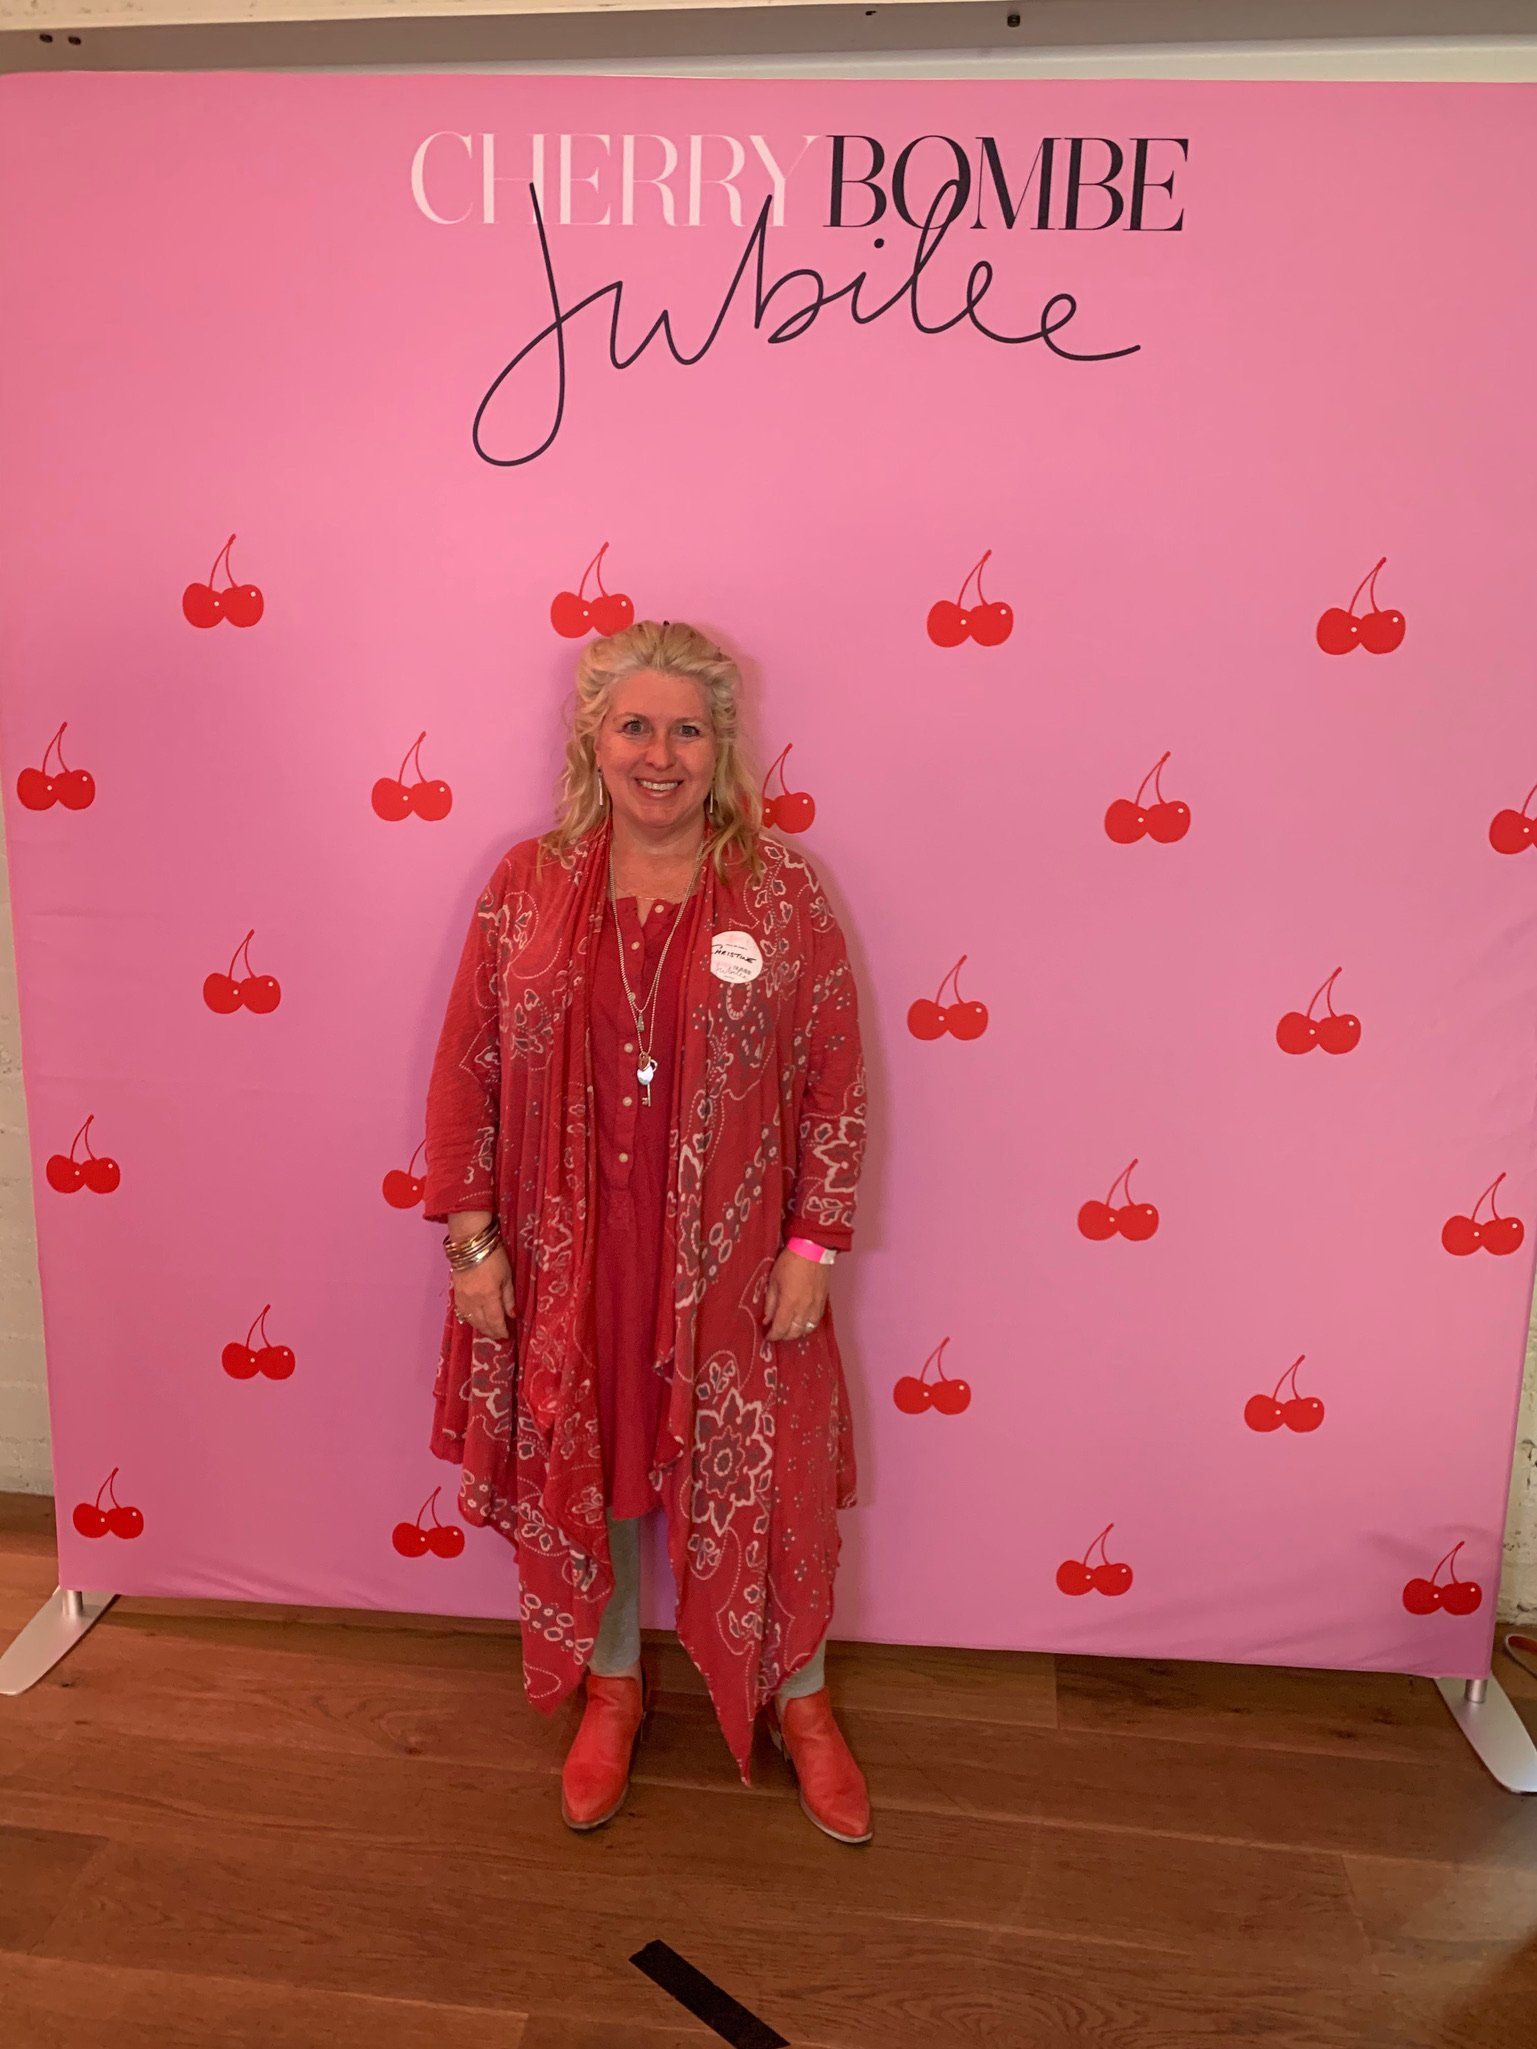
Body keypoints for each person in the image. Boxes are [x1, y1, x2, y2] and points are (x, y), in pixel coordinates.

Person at [421, 618, 871, 1843]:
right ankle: (610, 1688)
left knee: (762, 1478)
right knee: (599, 1471)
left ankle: (803, 1702)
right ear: (595, 739)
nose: (659, 754)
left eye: (687, 728)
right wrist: (472, 1243)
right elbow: (466, 1067)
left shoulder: (781, 889)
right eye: (636, 726)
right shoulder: (527, 884)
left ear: (721, 746)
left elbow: (834, 1072)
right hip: (571, 1253)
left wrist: (811, 1247)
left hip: (734, 1260)